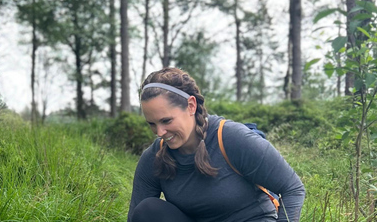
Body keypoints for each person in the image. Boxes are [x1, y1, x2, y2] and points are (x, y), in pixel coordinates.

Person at [128, 68, 305, 222]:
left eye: (166, 120)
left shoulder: (232, 138)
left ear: (190, 106)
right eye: (152, 123)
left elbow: (292, 188)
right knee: (147, 211)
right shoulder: (154, 157)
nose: (159, 132)